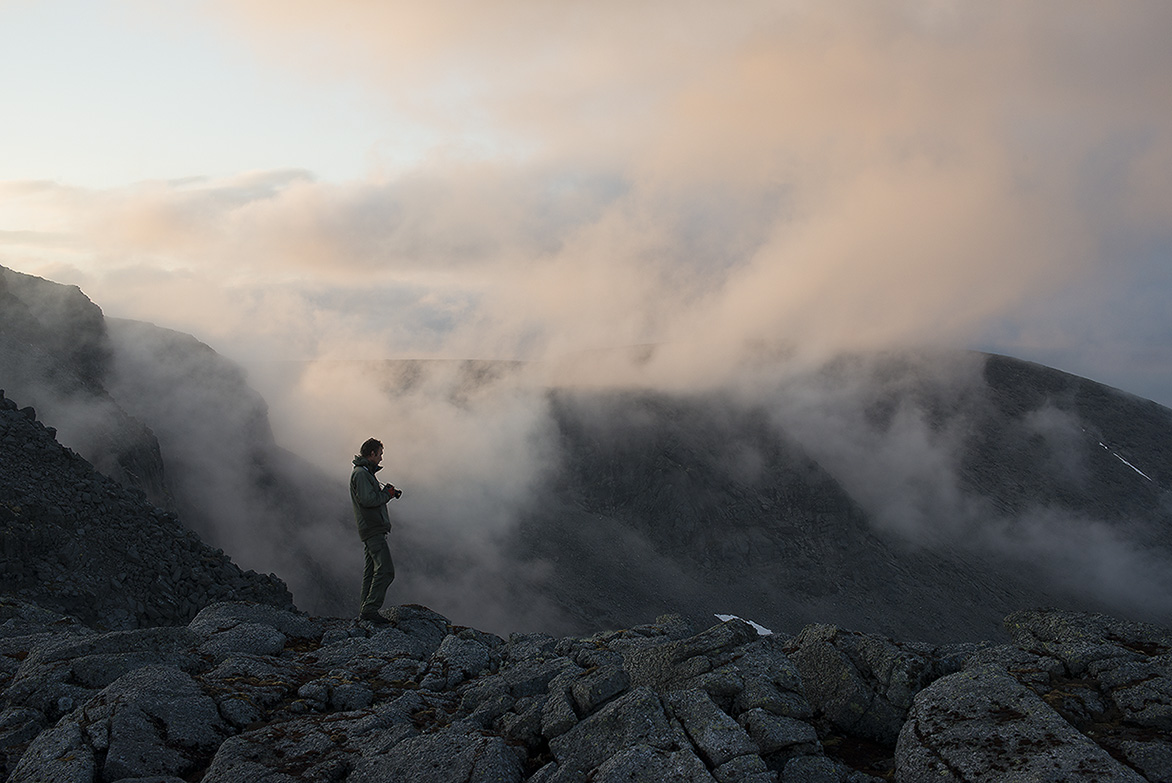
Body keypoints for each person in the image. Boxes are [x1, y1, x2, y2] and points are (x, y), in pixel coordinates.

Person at [350, 437, 400, 624]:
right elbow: (368, 500)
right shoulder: (361, 474)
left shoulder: (364, 472)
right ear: (371, 453)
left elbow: (369, 497)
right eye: (380, 454)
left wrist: (386, 494)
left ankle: (365, 609)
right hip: (372, 528)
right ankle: (370, 609)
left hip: (370, 528)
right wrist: (386, 495)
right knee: (386, 570)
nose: (381, 459)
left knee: (371, 571)